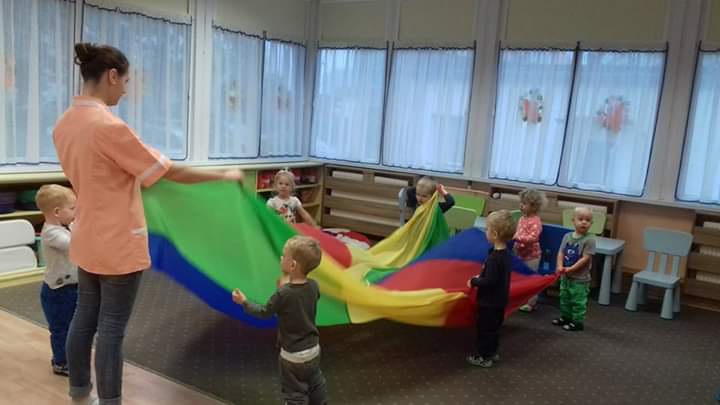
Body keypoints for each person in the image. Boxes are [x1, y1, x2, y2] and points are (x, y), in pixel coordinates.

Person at [54, 42, 244, 405]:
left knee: (84, 317)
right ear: (112, 76)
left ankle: (79, 394)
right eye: (125, 82)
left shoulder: (65, 123)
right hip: (117, 242)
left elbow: (107, 173)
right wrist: (223, 176)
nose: (125, 91)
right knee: (111, 328)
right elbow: (167, 172)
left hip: (87, 236)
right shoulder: (108, 126)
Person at [232, 236, 327, 404]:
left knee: (294, 392)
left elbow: (263, 312)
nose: (281, 258)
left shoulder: (283, 294)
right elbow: (300, 300)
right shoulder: (314, 286)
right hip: (313, 350)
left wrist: (244, 302)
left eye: (284, 256)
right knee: (316, 383)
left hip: (292, 356)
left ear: (293, 265)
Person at [36, 184, 78, 377]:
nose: (75, 212)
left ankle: (72, 357)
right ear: (57, 212)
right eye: (72, 208)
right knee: (61, 328)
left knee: (74, 325)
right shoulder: (51, 233)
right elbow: (74, 244)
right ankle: (61, 362)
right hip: (58, 291)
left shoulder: (67, 226)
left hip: (73, 286)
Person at [466, 210, 515, 368]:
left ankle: (484, 357)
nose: (485, 232)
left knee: (485, 330)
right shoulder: (506, 254)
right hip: (500, 301)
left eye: (487, 229)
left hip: (489, 302)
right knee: (494, 329)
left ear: (494, 234)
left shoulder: (494, 258)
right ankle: (492, 352)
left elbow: (490, 281)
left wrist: (474, 281)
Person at [553, 207, 596, 332]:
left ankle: (577, 322)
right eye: (580, 219)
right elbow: (561, 252)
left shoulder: (590, 239)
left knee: (578, 301)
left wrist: (571, 269)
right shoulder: (567, 236)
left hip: (580, 279)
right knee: (564, 298)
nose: (584, 222)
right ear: (573, 220)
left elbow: (585, 258)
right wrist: (559, 266)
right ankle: (566, 317)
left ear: (591, 223)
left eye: (587, 220)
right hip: (566, 276)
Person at [514, 188, 546, 312]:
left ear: (534, 206)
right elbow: (519, 232)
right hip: (520, 254)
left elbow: (533, 238)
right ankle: (520, 300)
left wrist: (516, 237)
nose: (520, 205)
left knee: (530, 278)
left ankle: (530, 303)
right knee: (519, 278)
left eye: (524, 203)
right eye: (520, 202)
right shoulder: (522, 218)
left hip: (531, 256)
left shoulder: (535, 221)